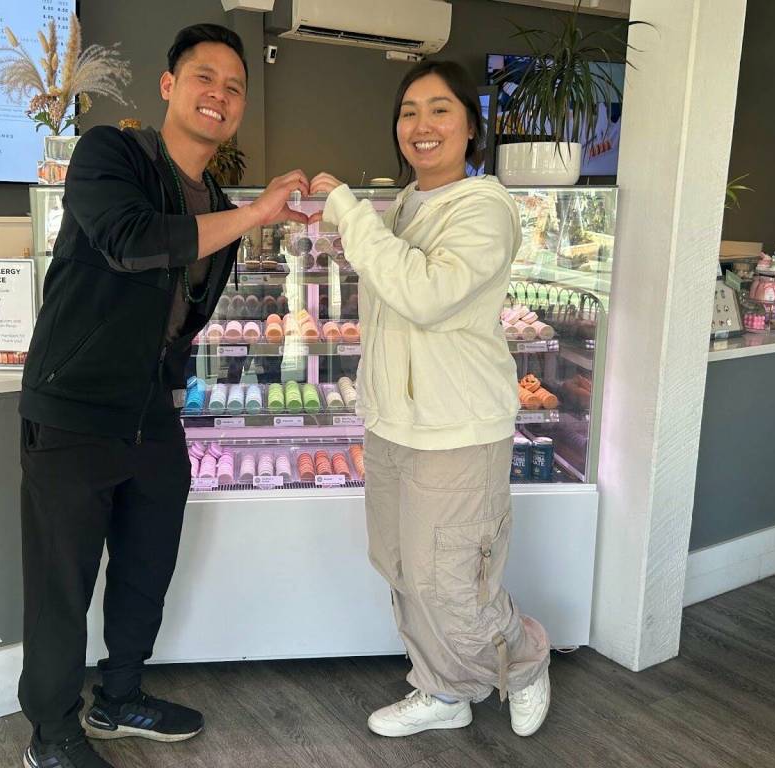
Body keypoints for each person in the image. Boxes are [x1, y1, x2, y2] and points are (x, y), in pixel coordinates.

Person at [17, 24, 308, 768]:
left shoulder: (212, 196)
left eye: (235, 87)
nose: (221, 95)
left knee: (147, 564)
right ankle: (51, 736)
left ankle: (120, 697)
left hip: (150, 410)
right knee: (63, 584)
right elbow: (130, 240)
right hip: (74, 405)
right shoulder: (108, 153)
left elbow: (188, 312)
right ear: (170, 87)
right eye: (205, 77)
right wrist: (254, 214)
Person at [309, 60, 551, 739]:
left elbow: (423, 294)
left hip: (457, 430)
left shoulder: (485, 208)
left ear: (470, 126)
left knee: (451, 583)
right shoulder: (408, 205)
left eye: (440, 109)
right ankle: (443, 689)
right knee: (403, 568)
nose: (421, 125)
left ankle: (527, 660)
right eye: (409, 111)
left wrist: (352, 214)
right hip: (395, 424)